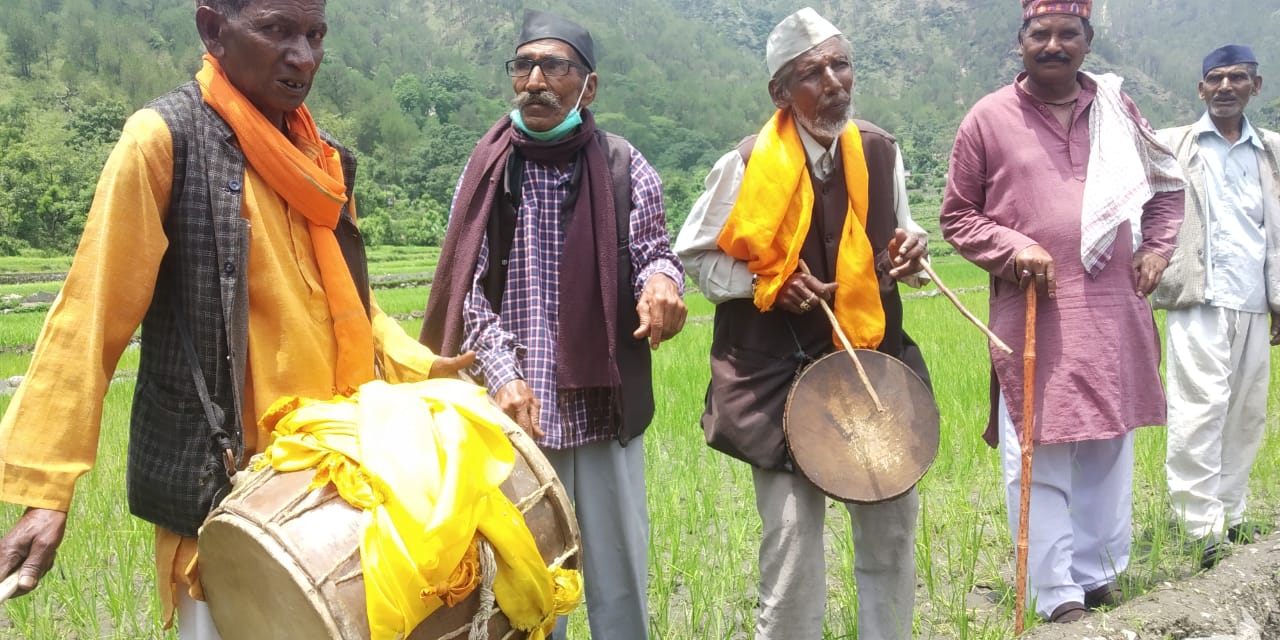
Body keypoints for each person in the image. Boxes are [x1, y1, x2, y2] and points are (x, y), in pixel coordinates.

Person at [0, 1, 472, 638]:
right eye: (276, 30)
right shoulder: (164, 140)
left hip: (337, 470)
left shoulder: (323, 162)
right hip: (230, 483)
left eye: (314, 35)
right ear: (212, 30)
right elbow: (89, 314)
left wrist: (420, 365)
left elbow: (346, 305)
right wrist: (46, 490)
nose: (302, 56)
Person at [421, 10, 686, 639]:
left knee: (619, 579)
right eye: (523, 65)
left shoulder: (624, 165)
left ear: (587, 86)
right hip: (513, 418)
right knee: (525, 587)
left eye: (554, 66)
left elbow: (656, 251)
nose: (535, 80)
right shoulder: (489, 167)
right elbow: (467, 289)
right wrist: (504, 375)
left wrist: (661, 285)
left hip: (603, 410)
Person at [675, 8, 931, 639]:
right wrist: (767, 283)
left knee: (892, 528)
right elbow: (697, 257)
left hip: (867, 366)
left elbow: (901, 233)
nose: (834, 82)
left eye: (841, 65)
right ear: (781, 93)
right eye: (813, 73)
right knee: (792, 545)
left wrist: (909, 253)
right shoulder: (743, 164)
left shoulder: (878, 150)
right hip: (777, 376)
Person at [939, 0, 1185, 624]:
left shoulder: (1116, 107)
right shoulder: (987, 118)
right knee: (1039, 446)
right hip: (1034, 311)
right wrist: (1015, 245)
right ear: (1020, 42)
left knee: (1108, 441)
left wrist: (1156, 250)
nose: (1054, 44)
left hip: (1112, 309)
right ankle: (1055, 592)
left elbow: (1166, 184)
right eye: (1040, 34)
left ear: (1087, 39)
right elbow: (957, 218)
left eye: (1067, 33)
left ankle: (1099, 574)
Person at [1153, 45, 1279, 569]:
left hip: (1254, 299)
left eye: (1237, 78)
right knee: (1199, 410)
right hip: (1198, 297)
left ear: (1257, 85)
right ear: (1200, 89)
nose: (1226, 86)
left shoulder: (1271, 150)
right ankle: (1196, 524)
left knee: (1246, 413)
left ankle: (1229, 513)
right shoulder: (1171, 144)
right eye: (1215, 79)